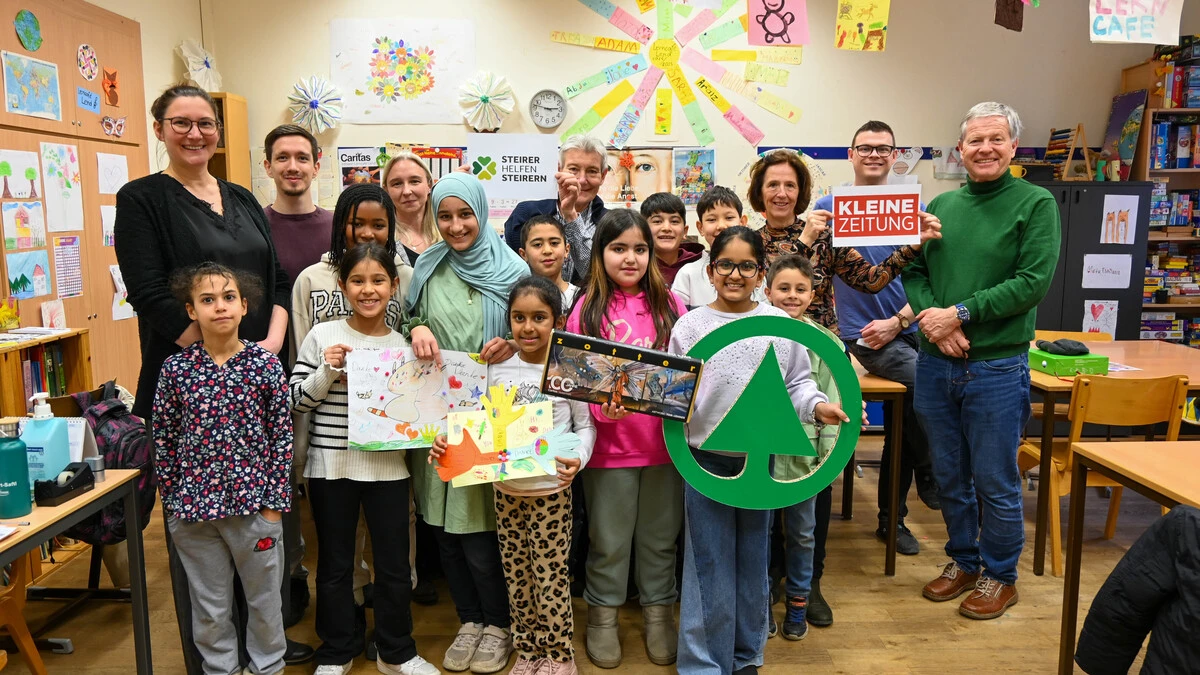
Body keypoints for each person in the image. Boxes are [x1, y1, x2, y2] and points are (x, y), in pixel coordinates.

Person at [115, 83, 291, 675]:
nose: (195, 134)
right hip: (190, 386)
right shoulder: (143, 198)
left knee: (260, 562)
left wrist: (257, 348)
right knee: (206, 577)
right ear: (160, 127)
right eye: (180, 122)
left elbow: (276, 280)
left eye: (205, 123)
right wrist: (216, 352)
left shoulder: (241, 196)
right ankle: (215, 666)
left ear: (218, 129)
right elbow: (147, 293)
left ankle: (264, 658)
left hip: (254, 373)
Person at [747, 148, 941, 627]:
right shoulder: (748, 243)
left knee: (820, 462)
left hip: (822, 361)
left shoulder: (829, 235)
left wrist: (912, 245)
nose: (781, 193)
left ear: (801, 192)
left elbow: (873, 280)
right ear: (759, 191)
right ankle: (772, 580)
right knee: (769, 466)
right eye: (773, 184)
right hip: (765, 365)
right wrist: (807, 239)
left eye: (790, 185)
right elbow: (756, 292)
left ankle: (810, 583)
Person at [903, 101, 1060, 620]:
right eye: (975, 141)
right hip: (934, 363)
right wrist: (932, 320)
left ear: (1014, 147)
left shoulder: (1036, 204)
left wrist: (960, 315)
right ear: (961, 149)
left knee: (995, 480)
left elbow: (1031, 283)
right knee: (948, 476)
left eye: (996, 139)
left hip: (996, 367)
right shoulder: (942, 208)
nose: (985, 149)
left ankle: (1000, 575)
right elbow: (915, 271)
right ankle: (963, 561)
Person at [671, 230, 851, 675]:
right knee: (706, 562)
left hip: (760, 463)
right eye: (725, 265)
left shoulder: (780, 325)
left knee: (753, 559)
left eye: (746, 266)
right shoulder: (690, 326)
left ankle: (747, 655)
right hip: (703, 461)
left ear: (759, 273)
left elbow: (798, 385)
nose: (735, 275)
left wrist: (818, 407)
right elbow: (675, 394)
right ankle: (702, 663)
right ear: (710, 271)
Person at [430, 276, 597, 675]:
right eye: (519, 317)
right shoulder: (498, 367)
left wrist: (579, 459)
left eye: (539, 317)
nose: (528, 327)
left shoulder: (569, 365)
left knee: (551, 576)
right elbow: (471, 420)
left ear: (558, 319)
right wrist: (445, 439)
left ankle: (559, 655)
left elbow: (585, 426)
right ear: (508, 320)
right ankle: (527, 650)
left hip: (551, 492)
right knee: (517, 574)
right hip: (506, 491)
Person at [290, 243, 439, 675]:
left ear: (394, 286)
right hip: (331, 467)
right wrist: (327, 371)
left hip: (388, 469)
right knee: (335, 565)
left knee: (393, 565)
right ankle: (336, 652)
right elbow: (296, 401)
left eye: (378, 281)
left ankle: (398, 651)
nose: (368, 290)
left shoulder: (404, 347)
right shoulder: (323, 336)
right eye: (358, 281)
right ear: (342, 286)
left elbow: (417, 413)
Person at [405, 172, 527, 673]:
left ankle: (498, 623)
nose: (456, 226)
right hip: (437, 413)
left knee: (481, 530)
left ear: (482, 211)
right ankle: (469, 620)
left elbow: (537, 325)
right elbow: (399, 323)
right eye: (446, 216)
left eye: (465, 214)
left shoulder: (513, 267)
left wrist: (515, 342)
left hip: (494, 413)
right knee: (443, 528)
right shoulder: (428, 266)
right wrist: (415, 327)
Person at [153, 262, 291, 675]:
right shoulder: (176, 370)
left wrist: (274, 506)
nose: (220, 307)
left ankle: (268, 667)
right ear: (192, 310)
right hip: (194, 514)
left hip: (255, 510)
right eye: (207, 300)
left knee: (264, 603)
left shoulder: (264, 366)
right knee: (211, 608)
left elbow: (281, 439)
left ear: (244, 305)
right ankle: (220, 670)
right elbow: (163, 439)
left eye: (228, 297)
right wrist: (175, 503)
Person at [566, 209, 686, 669]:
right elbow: (576, 380)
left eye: (640, 248)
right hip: (609, 452)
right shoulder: (586, 309)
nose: (630, 258)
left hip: (663, 448)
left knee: (660, 538)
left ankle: (659, 616)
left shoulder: (671, 306)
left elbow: (685, 376)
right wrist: (602, 409)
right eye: (619, 248)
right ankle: (602, 617)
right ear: (600, 254)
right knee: (609, 540)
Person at [815, 121, 941, 558]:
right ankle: (931, 471)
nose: (873, 155)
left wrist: (901, 319)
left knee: (909, 419)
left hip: (915, 324)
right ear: (850, 154)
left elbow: (935, 276)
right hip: (865, 336)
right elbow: (810, 270)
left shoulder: (914, 208)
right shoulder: (829, 207)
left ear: (894, 155)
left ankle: (893, 519)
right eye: (864, 148)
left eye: (882, 149)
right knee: (929, 387)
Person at [261, 122, 327, 660]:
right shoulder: (255, 227)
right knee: (285, 483)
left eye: (301, 157)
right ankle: (293, 577)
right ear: (268, 166)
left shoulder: (337, 228)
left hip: (331, 380)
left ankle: (339, 580)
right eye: (282, 158)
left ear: (317, 163)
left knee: (323, 482)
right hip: (273, 379)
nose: (292, 166)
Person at [762, 254, 853, 642]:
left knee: (803, 534)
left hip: (806, 461)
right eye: (783, 288)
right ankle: (762, 602)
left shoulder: (827, 342)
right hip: (761, 458)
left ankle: (799, 601)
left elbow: (835, 397)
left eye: (800, 289)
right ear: (766, 292)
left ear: (813, 294)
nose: (792, 296)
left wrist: (828, 458)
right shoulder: (754, 334)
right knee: (762, 533)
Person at [504, 135, 610, 285]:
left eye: (592, 171)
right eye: (573, 169)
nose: (581, 180)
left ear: (603, 175)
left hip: (586, 307)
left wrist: (571, 216)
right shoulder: (526, 214)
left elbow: (596, 276)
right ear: (559, 169)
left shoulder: (610, 223)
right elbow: (512, 271)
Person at [672, 187, 763, 310]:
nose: (721, 226)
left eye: (729, 218)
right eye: (711, 219)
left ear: (742, 222)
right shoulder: (687, 274)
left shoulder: (753, 270)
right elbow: (678, 321)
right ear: (700, 227)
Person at [382, 151, 441, 265]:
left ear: (429, 185)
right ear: (386, 190)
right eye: (397, 184)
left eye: (414, 181)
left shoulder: (448, 232)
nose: (406, 191)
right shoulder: (383, 241)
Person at [640, 192, 703, 285]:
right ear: (643, 230)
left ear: (685, 231)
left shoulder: (699, 264)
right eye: (657, 221)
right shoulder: (638, 266)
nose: (666, 228)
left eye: (674, 221)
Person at [518, 215, 579, 312]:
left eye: (554, 243)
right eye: (537, 244)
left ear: (566, 250)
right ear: (524, 254)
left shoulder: (581, 298)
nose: (547, 251)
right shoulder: (518, 297)